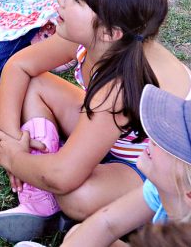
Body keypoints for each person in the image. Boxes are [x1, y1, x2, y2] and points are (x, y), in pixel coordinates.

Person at [0, 0, 191, 244]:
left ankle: (44, 170)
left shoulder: (120, 83)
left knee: (74, 196)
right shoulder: (97, 34)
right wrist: (11, 138)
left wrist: (13, 158)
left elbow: (63, 177)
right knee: (35, 84)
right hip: (110, 132)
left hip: (150, 164)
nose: (60, 0)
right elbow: (19, 66)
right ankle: (40, 191)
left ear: (110, 32)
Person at [12, 83, 191, 247]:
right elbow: (107, 223)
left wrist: (15, 159)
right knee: (78, 233)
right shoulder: (160, 188)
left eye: (166, 143)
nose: (151, 139)